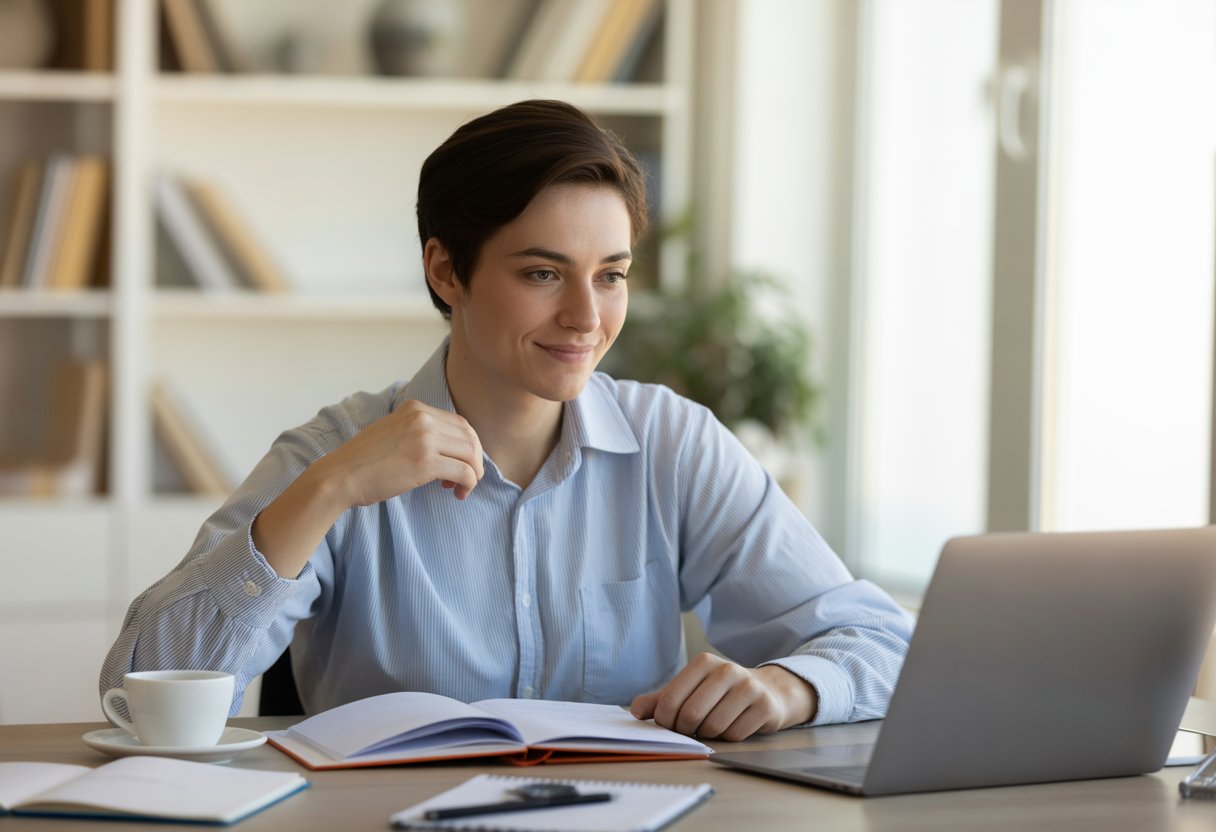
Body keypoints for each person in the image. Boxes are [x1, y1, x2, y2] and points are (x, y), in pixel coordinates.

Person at [101, 99, 913, 741]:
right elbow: (140, 694)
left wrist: (791, 686)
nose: (586, 317)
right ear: (446, 269)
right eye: (541, 272)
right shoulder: (335, 452)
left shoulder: (674, 445)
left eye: (612, 275)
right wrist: (330, 491)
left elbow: (884, 644)